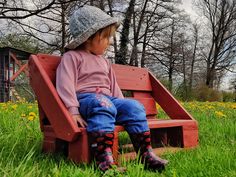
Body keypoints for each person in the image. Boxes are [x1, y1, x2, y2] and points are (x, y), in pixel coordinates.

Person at [56, 5, 168, 172]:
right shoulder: (72, 57)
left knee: (134, 106)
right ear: (88, 37)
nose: (109, 42)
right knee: (102, 103)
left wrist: (122, 107)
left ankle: (145, 154)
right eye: (106, 37)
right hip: (86, 101)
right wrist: (73, 110)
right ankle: (104, 160)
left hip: (108, 101)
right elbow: (65, 84)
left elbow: (113, 87)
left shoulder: (104, 61)